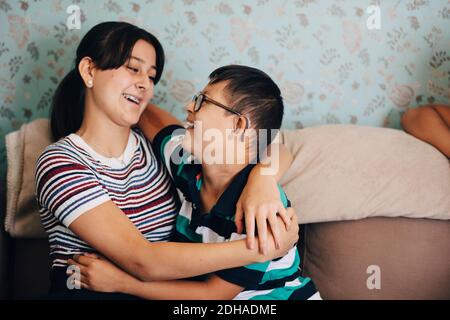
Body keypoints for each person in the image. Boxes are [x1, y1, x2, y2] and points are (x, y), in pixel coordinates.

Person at [35, 22, 298, 299]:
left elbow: (266, 142)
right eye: (133, 68)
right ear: (89, 70)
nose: (145, 85)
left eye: (152, 76)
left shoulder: (175, 153)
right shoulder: (61, 162)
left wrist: (264, 178)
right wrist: (263, 248)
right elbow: (142, 260)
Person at [68, 65, 321, 300]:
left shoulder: (263, 211)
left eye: (202, 100)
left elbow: (212, 295)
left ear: (238, 124)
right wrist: (123, 97)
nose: (189, 106)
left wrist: (122, 283)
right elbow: (153, 119)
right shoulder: (185, 164)